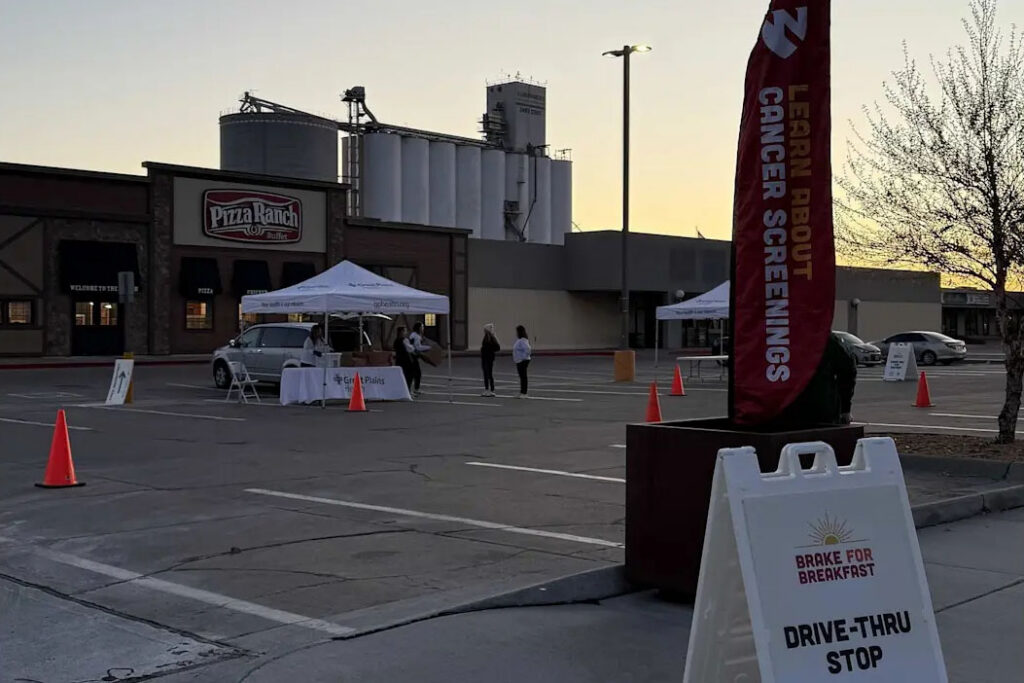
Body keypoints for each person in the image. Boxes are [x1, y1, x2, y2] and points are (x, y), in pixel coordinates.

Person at [772, 331, 858, 427]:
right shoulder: (824, 336)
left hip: (784, 410)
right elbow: (848, 368)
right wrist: (845, 408)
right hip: (821, 407)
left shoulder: (777, 334)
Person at [407, 321, 430, 396]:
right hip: (412, 355)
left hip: (413, 355)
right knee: (415, 373)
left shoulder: (415, 335)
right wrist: (428, 348)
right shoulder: (415, 336)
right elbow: (418, 347)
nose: (423, 328)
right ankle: (413, 389)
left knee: (414, 373)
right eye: (422, 327)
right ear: (419, 328)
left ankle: (414, 389)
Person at [393, 326, 416, 395]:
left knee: (402, 375)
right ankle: (408, 390)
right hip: (406, 360)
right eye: (404, 331)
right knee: (409, 375)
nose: (406, 333)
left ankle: (404, 390)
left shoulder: (396, 340)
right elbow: (410, 349)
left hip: (399, 360)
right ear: (401, 332)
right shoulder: (404, 340)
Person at [480, 323, 500, 397]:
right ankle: (489, 389)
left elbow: (497, 347)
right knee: (488, 374)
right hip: (487, 358)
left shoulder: (490, 338)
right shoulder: (489, 337)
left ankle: (490, 389)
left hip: (487, 358)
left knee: (488, 374)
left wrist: (489, 350)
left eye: (485, 330)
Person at [512, 324, 532, 398]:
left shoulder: (523, 340)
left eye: (517, 331)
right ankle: (522, 392)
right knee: (522, 377)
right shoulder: (519, 340)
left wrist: (524, 357)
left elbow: (528, 349)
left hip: (523, 361)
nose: (516, 333)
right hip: (519, 361)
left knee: (523, 377)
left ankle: (524, 393)